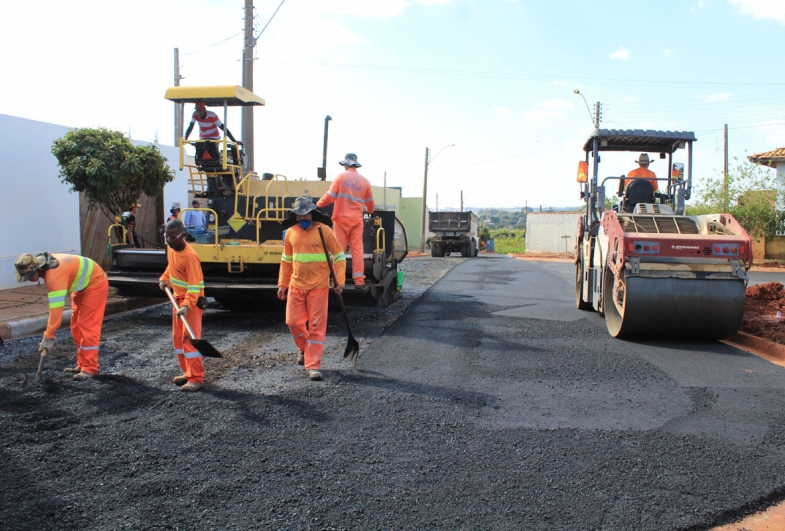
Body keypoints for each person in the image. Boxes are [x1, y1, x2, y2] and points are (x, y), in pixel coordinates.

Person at [278, 197, 346, 381]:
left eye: (305, 214)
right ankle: (304, 348)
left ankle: (313, 365)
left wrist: (339, 281)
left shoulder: (324, 231)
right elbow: (286, 261)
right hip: (296, 286)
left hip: (319, 287)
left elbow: (339, 256)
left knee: (316, 326)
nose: (302, 218)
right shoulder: (290, 233)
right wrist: (282, 284)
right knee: (292, 322)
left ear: (312, 213)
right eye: (298, 215)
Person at [14, 252, 109, 381]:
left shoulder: (54, 276)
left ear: (37, 268)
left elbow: (56, 312)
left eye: (30, 276)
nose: (29, 279)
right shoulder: (46, 266)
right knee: (76, 326)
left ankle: (90, 368)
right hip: (81, 287)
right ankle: (81, 364)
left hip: (95, 284)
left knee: (87, 327)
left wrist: (49, 335)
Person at [159, 219, 206, 392]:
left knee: (190, 340)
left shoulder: (190, 257)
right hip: (177, 300)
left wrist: (186, 305)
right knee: (178, 339)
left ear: (183, 235)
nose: (169, 241)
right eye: (167, 238)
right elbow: (171, 267)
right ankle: (187, 372)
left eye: (173, 238)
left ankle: (196, 378)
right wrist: (165, 279)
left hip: (190, 303)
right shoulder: (172, 249)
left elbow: (194, 286)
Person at [316, 153, 374, 286]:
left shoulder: (341, 177)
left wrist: (318, 205)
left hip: (341, 220)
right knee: (357, 250)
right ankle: (359, 280)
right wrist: (371, 212)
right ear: (355, 164)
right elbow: (370, 202)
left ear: (346, 164)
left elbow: (330, 196)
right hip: (356, 221)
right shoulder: (365, 181)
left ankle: (337, 281)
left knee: (338, 251)